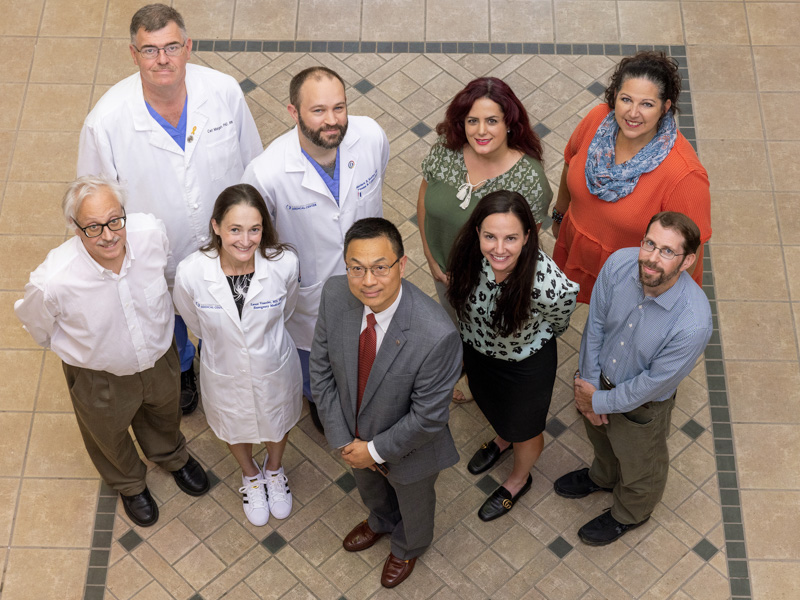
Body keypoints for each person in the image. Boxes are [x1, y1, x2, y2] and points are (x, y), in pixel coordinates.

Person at [77, 3, 263, 414]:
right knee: (170, 319)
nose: (162, 59)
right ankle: (182, 367)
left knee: (232, 310)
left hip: (227, 246)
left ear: (188, 47)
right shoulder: (106, 122)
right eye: (150, 49)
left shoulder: (223, 92)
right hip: (158, 258)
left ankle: (232, 363)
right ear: (133, 54)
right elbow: (95, 204)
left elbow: (252, 164)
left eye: (171, 46)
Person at [14, 176, 209, 528]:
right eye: (93, 227)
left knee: (165, 413)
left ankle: (171, 455)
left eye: (115, 220)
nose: (108, 235)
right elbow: (38, 326)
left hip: (157, 357)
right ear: (74, 228)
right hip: (98, 376)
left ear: (124, 214)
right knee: (108, 433)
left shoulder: (150, 234)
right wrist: (85, 351)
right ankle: (129, 482)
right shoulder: (53, 281)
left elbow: (165, 274)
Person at [310, 218, 462, 588]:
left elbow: (427, 418)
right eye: (356, 268)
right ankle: (380, 521)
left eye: (380, 267)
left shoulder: (436, 335)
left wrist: (373, 450)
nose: (368, 281)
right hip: (351, 436)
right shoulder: (334, 294)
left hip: (410, 450)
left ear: (402, 265)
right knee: (371, 491)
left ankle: (409, 546)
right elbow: (320, 368)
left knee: (414, 504)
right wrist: (344, 439)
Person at [242, 66, 389, 431]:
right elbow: (257, 243)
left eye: (339, 108)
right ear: (294, 112)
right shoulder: (267, 174)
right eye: (318, 110)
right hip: (311, 298)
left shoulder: (370, 136)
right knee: (316, 365)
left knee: (369, 350)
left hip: (370, 280)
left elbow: (377, 177)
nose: (332, 121)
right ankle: (323, 406)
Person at [554, 212, 712, 546]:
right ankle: (603, 477)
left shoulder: (693, 323)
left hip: (643, 404)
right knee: (600, 440)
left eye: (667, 251)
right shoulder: (619, 265)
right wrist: (591, 385)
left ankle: (631, 513)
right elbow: (595, 326)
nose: (652, 258)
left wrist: (596, 402)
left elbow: (652, 384)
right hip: (597, 382)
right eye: (649, 243)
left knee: (641, 465)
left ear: (687, 262)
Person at [173, 184, 301, 527]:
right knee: (233, 425)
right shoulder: (191, 274)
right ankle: (250, 476)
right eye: (234, 229)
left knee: (278, 417)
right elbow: (193, 321)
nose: (245, 240)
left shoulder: (283, 264)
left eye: (254, 229)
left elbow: (287, 310)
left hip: (274, 363)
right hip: (224, 368)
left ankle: (273, 470)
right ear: (215, 226)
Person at [417, 76, 551, 401]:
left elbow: (527, 244)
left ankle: (482, 375)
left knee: (490, 339)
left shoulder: (527, 178)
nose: (481, 131)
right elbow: (424, 201)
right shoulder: (445, 153)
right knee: (456, 325)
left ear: (509, 124)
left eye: (492, 120)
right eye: (472, 120)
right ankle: (463, 359)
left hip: (492, 287)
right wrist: (431, 257)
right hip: (445, 274)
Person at [447, 191, 579, 521]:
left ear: (528, 236)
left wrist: (534, 341)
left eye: (511, 238)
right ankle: (502, 438)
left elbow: (560, 319)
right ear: (477, 232)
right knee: (491, 404)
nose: (499, 249)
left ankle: (519, 479)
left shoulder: (547, 282)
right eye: (490, 236)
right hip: (479, 353)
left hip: (525, 366)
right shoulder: (468, 257)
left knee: (526, 430)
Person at [551, 51, 711, 304]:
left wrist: (660, 303)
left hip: (631, 278)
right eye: (626, 99)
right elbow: (570, 162)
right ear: (615, 96)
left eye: (647, 104)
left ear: (665, 107)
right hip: (578, 250)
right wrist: (559, 215)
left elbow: (689, 249)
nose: (633, 113)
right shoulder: (597, 120)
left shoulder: (685, 175)